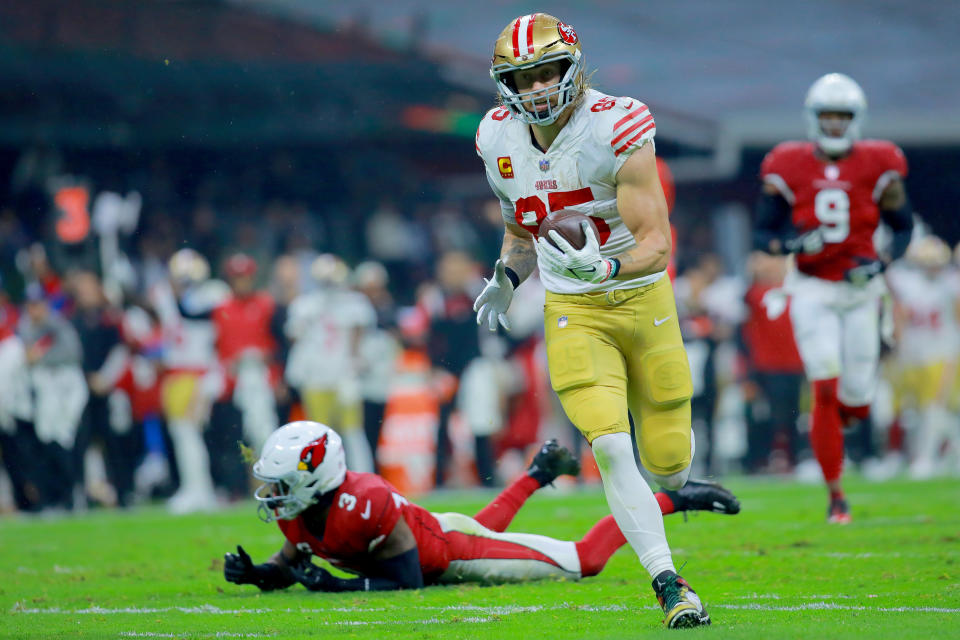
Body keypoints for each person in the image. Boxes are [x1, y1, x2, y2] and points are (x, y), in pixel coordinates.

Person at [470, 13, 707, 627]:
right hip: (572, 310)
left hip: (640, 297)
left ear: (571, 70)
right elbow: (521, 233)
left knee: (669, 464)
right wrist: (506, 278)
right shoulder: (497, 138)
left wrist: (602, 270)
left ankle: (675, 490)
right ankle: (669, 584)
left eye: (545, 74)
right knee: (608, 445)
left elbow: (657, 243)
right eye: (520, 80)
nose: (535, 91)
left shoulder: (618, 124)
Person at [223, 421, 740, 596]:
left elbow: (409, 580)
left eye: (282, 484)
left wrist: (336, 586)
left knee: (584, 561)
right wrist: (257, 576)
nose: (273, 496)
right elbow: (290, 564)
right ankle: (538, 474)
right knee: (476, 530)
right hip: (436, 536)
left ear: (316, 477)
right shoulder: (301, 509)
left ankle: (675, 497)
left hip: (444, 553)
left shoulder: (365, 502)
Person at [753, 73, 914, 523]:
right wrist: (789, 246)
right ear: (813, 118)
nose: (836, 125)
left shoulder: (881, 161)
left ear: (856, 119)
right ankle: (836, 495)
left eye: (843, 117)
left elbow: (902, 228)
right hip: (811, 288)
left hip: (862, 292)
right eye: (829, 116)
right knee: (824, 384)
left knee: (858, 399)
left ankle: (843, 425)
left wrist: (881, 265)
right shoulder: (787, 163)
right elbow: (763, 233)